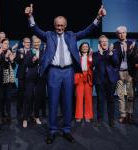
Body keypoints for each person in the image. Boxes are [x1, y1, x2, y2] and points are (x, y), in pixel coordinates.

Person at [24, 4, 106, 144]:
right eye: (57, 25)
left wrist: (98, 17)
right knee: (53, 102)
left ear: (65, 25)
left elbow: (88, 30)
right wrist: (30, 17)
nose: (60, 28)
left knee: (68, 102)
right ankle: (52, 130)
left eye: (62, 25)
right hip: (54, 72)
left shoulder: (71, 35)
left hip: (69, 71)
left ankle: (67, 130)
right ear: (54, 25)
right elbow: (35, 29)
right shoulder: (49, 35)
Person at [93, 35, 119, 127]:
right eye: (102, 41)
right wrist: (100, 53)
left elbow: (116, 63)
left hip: (110, 80)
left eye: (106, 41)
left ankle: (111, 120)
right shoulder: (96, 54)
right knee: (100, 100)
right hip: (99, 80)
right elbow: (94, 64)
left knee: (111, 100)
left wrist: (111, 54)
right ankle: (100, 119)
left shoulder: (113, 52)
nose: (104, 43)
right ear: (99, 43)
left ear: (108, 43)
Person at [114, 26, 136, 123]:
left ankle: (129, 113)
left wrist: (130, 51)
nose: (122, 34)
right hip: (119, 72)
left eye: (123, 32)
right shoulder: (115, 45)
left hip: (129, 72)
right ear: (117, 34)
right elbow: (114, 60)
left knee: (130, 95)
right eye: (119, 33)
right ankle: (123, 114)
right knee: (120, 95)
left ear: (126, 33)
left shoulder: (132, 44)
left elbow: (136, 59)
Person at [22, 36, 45, 128]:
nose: (36, 44)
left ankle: (36, 116)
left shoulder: (44, 52)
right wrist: (32, 60)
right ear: (32, 43)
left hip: (41, 78)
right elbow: (26, 63)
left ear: (40, 43)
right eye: (35, 42)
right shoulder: (29, 52)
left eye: (38, 42)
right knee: (28, 97)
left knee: (38, 98)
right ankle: (25, 118)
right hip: (30, 78)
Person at [74, 42, 94, 123]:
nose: (85, 48)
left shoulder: (91, 56)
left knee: (88, 98)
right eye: (83, 46)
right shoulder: (78, 56)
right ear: (81, 48)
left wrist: (90, 57)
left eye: (86, 46)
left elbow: (92, 65)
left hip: (88, 77)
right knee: (79, 97)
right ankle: (78, 116)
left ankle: (88, 116)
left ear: (88, 48)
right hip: (80, 77)